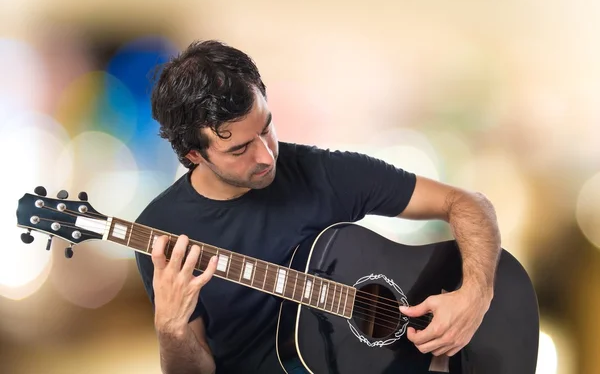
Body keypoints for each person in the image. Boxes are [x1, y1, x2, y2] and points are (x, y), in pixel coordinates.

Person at [134, 40, 501, 374]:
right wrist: (171, 329)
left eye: (266, 128)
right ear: (195, 155)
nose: (266, 155)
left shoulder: (323, 173)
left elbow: (468, 204)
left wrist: (475, 295)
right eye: (239, 149)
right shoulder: (164, 231)